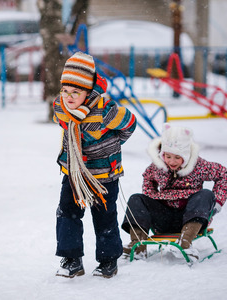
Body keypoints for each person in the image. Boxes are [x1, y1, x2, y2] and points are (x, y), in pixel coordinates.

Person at [53, 52, 137, 278]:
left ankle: (108, 261)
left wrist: (110, 146)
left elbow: (130, 124)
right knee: (67, 213)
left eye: (76, 92)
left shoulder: (106, 110)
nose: (69, 97)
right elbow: (61, 123)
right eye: (65, 91)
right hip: (74, 174)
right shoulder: (61, 107)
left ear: (88, 92)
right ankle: (72, 260)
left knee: (104, 217)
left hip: (104, 176)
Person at [121, 123, 227, 261]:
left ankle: (185, 242)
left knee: (205, 194)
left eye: (177, 158)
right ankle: (138, 246)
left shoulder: (198, 166)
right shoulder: (158, 167)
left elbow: (223, 174)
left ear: (185, 156)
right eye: (168, 156)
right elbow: (147, 179)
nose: (171, 162)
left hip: (189, 217)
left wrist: (218, 202)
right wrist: (152, 197)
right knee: (136, 198)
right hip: (164, 218)